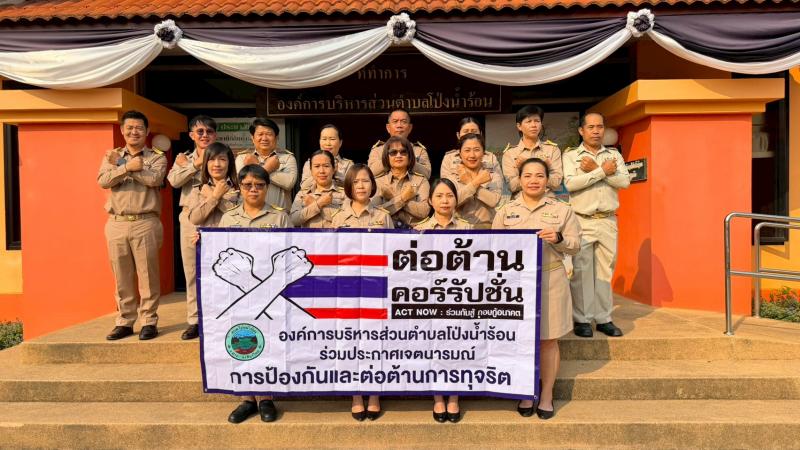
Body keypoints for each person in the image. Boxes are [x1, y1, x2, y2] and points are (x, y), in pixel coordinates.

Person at [492, 157, 581, 420]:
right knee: (520, 340)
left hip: (550, 280)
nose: (533, 180)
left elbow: (576, 245)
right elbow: (494, 247)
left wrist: (559, 238)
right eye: (528, 175)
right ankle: (525, 391)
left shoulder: (562, 210)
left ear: (547, 180)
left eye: (539, 176)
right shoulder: (506, 211)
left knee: (548, 340)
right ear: (519, 180)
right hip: (516, 284)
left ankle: (546, 394)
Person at [222, 164, 290, 425]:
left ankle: (265, 397)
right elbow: (219, 252)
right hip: (238, 293)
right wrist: (201, 242)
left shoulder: (280, 217)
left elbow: (289, 251)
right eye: (248, 185)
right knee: (242, 340)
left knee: (268, 342)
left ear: (267, 188)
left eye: (259, 185)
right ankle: (247, 398)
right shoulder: (228, 218)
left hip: (270, 292)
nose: (253, 190)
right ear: (240, 187)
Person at [98, 110, 166, 341]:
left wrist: (121, 165)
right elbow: (103, 181)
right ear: (122, 130)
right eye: (129, 128)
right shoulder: (112, 155)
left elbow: (154, 179)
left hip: (145, 222)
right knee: (121, 275)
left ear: (147, 131)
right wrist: (127, 166)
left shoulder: (156, 157)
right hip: (116, 222)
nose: (134, 132)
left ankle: (149, 321)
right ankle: (125, 321)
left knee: (148, 275)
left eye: (139, 128)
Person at [331, 164, 392, 421]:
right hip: (347, 289)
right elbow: (331, 255)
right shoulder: (338, 218)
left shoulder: (383, 216)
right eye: (355, 181)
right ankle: (356, 394)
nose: (361, 186)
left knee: (374, 341)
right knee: (351, 341)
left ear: (372, 185)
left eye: (366, 181)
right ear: (348, 186)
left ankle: (374, 393)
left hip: (376, 288)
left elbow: (393, 253)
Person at [563, 112, 630, 338]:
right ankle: (582, 319)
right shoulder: (571, 156)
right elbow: (570, 184)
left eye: (599, 127)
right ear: (581, 131)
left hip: (608, 220)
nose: (596, 131)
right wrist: (602, 171)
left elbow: (624, 182)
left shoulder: (614, 155)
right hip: (582, 219)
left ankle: (603, 318)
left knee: (605, 270)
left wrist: (595, 170)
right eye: (591, 127)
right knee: (581, 271)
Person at [413, 178, 469, 422]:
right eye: (439, 196)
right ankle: (437, 397)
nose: (445, 201)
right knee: (433, 346)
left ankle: (454, 397)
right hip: (429, 299)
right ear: (429, 201)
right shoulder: (419, 230)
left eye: (449, 195)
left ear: (456, 199)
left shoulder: (468, 229)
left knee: (457, 346)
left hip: (460, 298)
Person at [166, 115, 217, 340]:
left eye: (209, 131)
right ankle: (195, 320)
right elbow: (174, 181)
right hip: (190, 218)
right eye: (200, 132)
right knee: (192, 271)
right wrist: (195, 164)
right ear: (191, 135)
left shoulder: (222, 156)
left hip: (217, 216)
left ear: (215, 135)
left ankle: (216, 318)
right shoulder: (184, 159)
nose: (205, 135)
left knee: (219, 269)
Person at [235, 118, 297, 212]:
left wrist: (255, 166)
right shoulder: (243, 158)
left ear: (276, 137)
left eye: (269, 134)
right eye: (260, 134)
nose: (264, 138)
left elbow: (289, 183)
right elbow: (242, 182)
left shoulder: (287, 158)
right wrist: (268, 168)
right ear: (252, 138)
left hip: (278, 215)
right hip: (248, 215)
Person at [501, 105, 563, 198]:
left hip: (547, 202)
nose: (534, 125)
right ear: (519, 126)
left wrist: (526, 166)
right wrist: (540, 170)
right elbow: (512, 186)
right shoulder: (510, 153)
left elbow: (556, 183)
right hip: (520, 203)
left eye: (537, 121)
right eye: (529, 121)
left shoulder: (552, 150)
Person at [444, 133, 502, 229]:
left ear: (483, 153)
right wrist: (475, 182)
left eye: (476, 150)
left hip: (487, 228)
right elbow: (452, 202)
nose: (472, 155)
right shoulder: (451, 178)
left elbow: (494, 201)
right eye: (467, 150)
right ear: (460, 153)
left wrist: (468, 182)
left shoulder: (492, 175)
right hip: (459, 229)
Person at [372, 136, 430, 229]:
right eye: (393, 152)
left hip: (414, 232)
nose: (398, 155)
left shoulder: (421, 180)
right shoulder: (378, 182)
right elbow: (375, 213)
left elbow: (424, 212)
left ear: (409, 156)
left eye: (403, 152)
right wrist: (403, 198)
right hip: (386, 231)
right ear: (387, 157)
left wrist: (394, 198)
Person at [186, 142, 240, 239]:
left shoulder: (239, 188)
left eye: (222, 159)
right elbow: (194, 219)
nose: (217, 164)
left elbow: (239, 218)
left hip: (232, 240)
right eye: (211, 159)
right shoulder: (198, 189)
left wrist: (215, 196)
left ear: (230, 163)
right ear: (206, 163)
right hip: (207, 241)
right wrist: (214, 197)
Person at [367, 109, 431, 179]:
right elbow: (370, 173)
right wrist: (389, 158)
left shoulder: (419, 151)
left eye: (404, 122)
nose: (399, 125)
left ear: (410, 128)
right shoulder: (377, 151)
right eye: (395, 121)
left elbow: (427, 174)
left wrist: (409, 160)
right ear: (388, 127)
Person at [290, 150, 345, 228]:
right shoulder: (303, 194)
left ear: (333, 169)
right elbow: (294, 220)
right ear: (311, 170)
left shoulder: (344, 194)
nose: (321, 171)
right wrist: (318, 204)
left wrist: (315, 204)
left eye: (326, 166)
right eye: (317, 166)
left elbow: (345, 221)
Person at [440, 117, 500, 182]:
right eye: (466, 132)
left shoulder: (491, 157)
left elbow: (498, 183)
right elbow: (446, 185)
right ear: (458, 135)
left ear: (481, 134)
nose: (470, 135)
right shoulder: (449, 158)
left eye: (474, 132)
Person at [299, 124, 353, 190]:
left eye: (332, 139)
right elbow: (304, 186)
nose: (328, 143)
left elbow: (352, 187)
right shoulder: (310, 163)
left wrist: (336, 173)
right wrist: (319, 174)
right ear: (319, 142)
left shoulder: (348, 164)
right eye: (324, 139)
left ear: (340, 143)